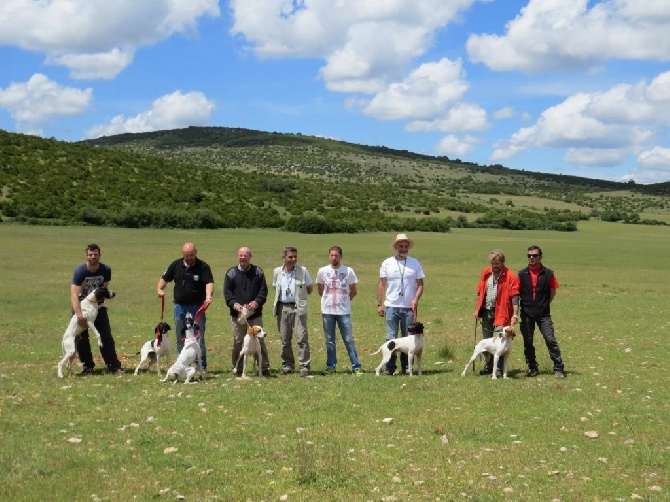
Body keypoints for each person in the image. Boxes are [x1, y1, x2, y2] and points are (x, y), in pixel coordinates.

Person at [157, 242, 214, 372]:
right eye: (187, 255)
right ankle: (181, 365)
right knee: (180, 337)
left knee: (198, 338)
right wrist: (159, 289)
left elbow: (209, 283)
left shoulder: (203, 266)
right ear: (182, 253)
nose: (189, 258)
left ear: (196, 253)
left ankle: (201, 366)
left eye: (192, 255)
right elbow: (164, 279)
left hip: (197, 307)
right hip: (180, 307)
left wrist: (208, 296)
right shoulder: (176, 265)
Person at [71, 243, 124, 375]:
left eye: (95, 254)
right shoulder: (80, 271)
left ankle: (113, 365)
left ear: (99, 255)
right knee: (81, 338)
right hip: (82, 308)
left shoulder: (106, 270)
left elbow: (103, 289)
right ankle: (87, 366)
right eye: (90, 254)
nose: (93, 257)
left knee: (106, 336)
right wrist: (79, 315)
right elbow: (74, 294)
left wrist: (102, 303)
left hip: (98, 307)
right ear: (86, 256)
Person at [377, 233, 425, 375]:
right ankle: (390, 368)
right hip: (391, 305)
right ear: (395, 247)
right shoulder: (387, 263)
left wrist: (416, 299)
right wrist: (380, 304)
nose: (403, 249)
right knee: (391, 337)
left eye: (406, 246)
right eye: (401, 246)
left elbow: (420, 284)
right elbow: (381, 283)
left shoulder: (415, 263)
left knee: (409, 338)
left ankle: (407, 367)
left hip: (409, 308)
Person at [518, 245, 565, 379]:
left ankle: (558, 368)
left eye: (534, 255)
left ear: (540, 257)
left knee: (550, 339)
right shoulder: (522, 274)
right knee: (528, 342)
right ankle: (532, 368)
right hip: (527, 314)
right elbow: (517, 293)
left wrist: (544, 304)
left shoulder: (548, 273)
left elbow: (552, 292)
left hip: (544, 314)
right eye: (529, 256)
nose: (531, 258)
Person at [223, 246, 270, 376]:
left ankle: (264, 368)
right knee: (239, 341)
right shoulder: (231, 273)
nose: (243, 257)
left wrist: (257, 302)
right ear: (238, 256)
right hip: (238, 315)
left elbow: (263, 290)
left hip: (255, 314)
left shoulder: (258, 272)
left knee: (259, 340)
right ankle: (237, 368)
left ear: (250, 257)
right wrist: (234, 304)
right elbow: (227, 293)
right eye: (241, 255)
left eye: (246, 255)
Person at [316, 246, 362, 375]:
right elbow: (320, 290)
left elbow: (353, 291)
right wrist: (327, 300)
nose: (334, 258)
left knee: (348, 339)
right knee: (330, 340)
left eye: (336, 255)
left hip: (343, 311)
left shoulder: (348, 271)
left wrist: (345, 300)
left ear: (341, 256)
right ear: (329, 256)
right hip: (328, 311)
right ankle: (331, 366)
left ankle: (356, 366)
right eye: (331, 255)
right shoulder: (322, 271)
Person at [474, 249, 519, 376]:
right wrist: (477, 309)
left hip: (502, 312)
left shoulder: (510, 275)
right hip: (486, 310)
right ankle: (489, 367)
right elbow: (480, 291)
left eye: (497, 264)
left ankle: (498, 369)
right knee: (487, 341)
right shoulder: (486, 273)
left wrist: (515, 314)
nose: (494, 266)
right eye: (492, 264)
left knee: (501, 340)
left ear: (503, 263)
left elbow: (515, 297)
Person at [272, 246, 313, 377]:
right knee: (285, 339)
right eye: (290, 257)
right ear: (283, 258)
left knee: (301, 338)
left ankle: (304, 366)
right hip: (282, 307)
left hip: (298, 308)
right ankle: (287, 365)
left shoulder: (303, 271)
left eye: (295, 256)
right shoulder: (277, 272)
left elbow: (310, 289)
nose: (293, 259)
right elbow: (276, 288)